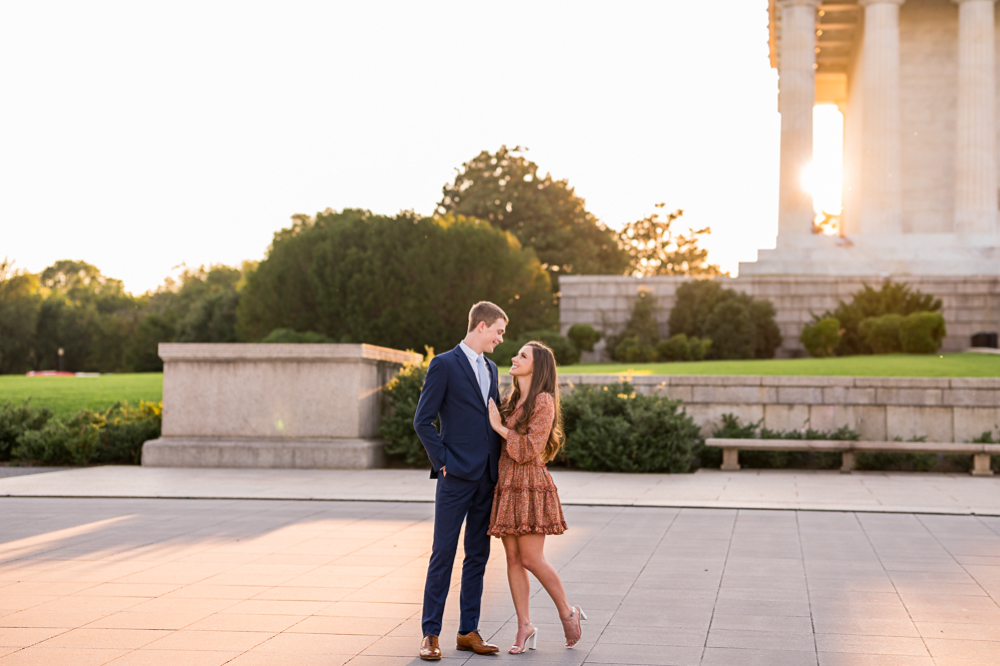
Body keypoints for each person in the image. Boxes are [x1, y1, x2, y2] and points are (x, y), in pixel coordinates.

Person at [413, 301, 508, 661]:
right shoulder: (444, 364)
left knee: (478, 557)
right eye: (498, 330)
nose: (500, 338)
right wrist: (444, 463)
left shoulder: (493, 368)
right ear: (481, 326)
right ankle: (430, 634)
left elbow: (492, 420)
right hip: (455, 478)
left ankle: (468, 631)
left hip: (487, 476)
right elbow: (423, 420)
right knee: (443, 554)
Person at [486, 341, 586, 654]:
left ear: (537, 365)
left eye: (522, 356)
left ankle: (568, 612)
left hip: (529, 485)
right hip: (507, 484)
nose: (514, 358)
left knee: (531, 558)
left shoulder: (544, 401)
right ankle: (524, 625)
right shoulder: (510, 399)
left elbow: (530, 450)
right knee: (513, 558)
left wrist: (499, 427)